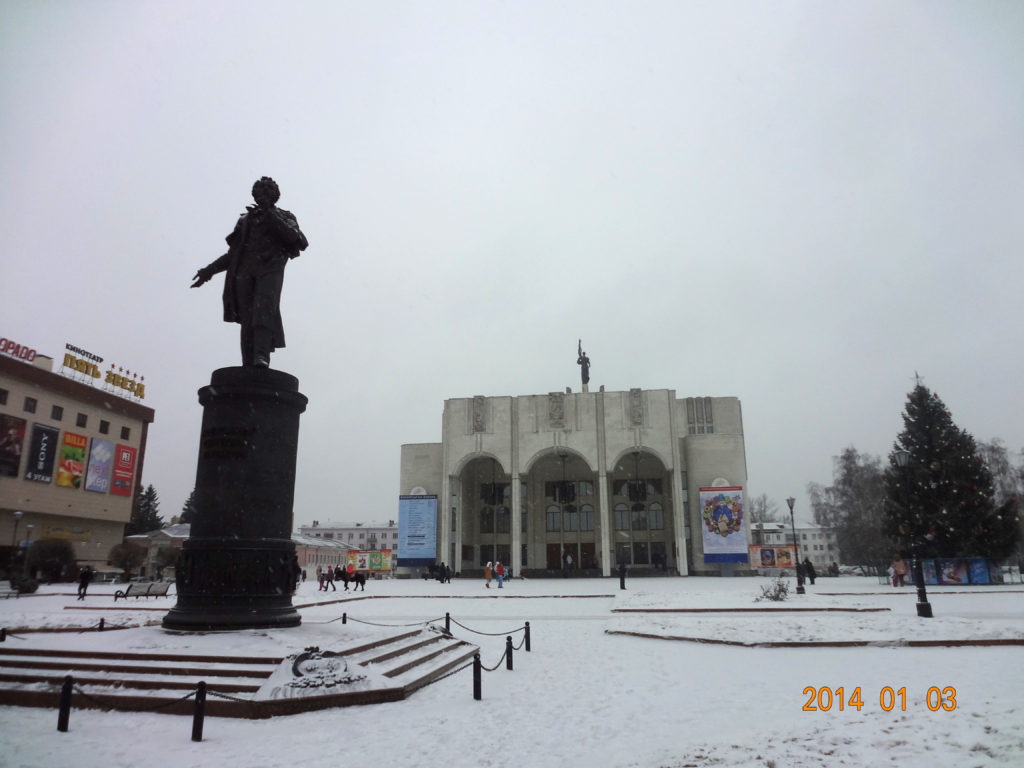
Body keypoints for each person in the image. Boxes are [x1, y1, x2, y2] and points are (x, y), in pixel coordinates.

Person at [191, 176, 309, 368]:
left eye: (267, 192)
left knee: (263, 311)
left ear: (274, 196)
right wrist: (209, 271)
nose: (263, 195)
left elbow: (292, 236)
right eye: (260, 192)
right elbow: (234, 254)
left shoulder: (285, 216)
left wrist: (269, 213)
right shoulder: (245, 220)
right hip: (245, 271)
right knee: (247, 318)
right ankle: (248, 361)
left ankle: (261, 356)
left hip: (270, 269)